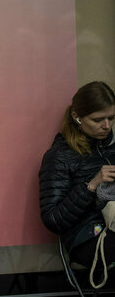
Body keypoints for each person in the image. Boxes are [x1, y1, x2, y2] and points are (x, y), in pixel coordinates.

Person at [39, 81, 115, 271]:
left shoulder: (112, 147)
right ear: (77, 117)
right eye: (98, 120)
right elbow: (53, 219)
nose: (106, 126)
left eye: (112, 118)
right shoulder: (59, 156)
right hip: (88, 236)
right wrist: (92, 184)